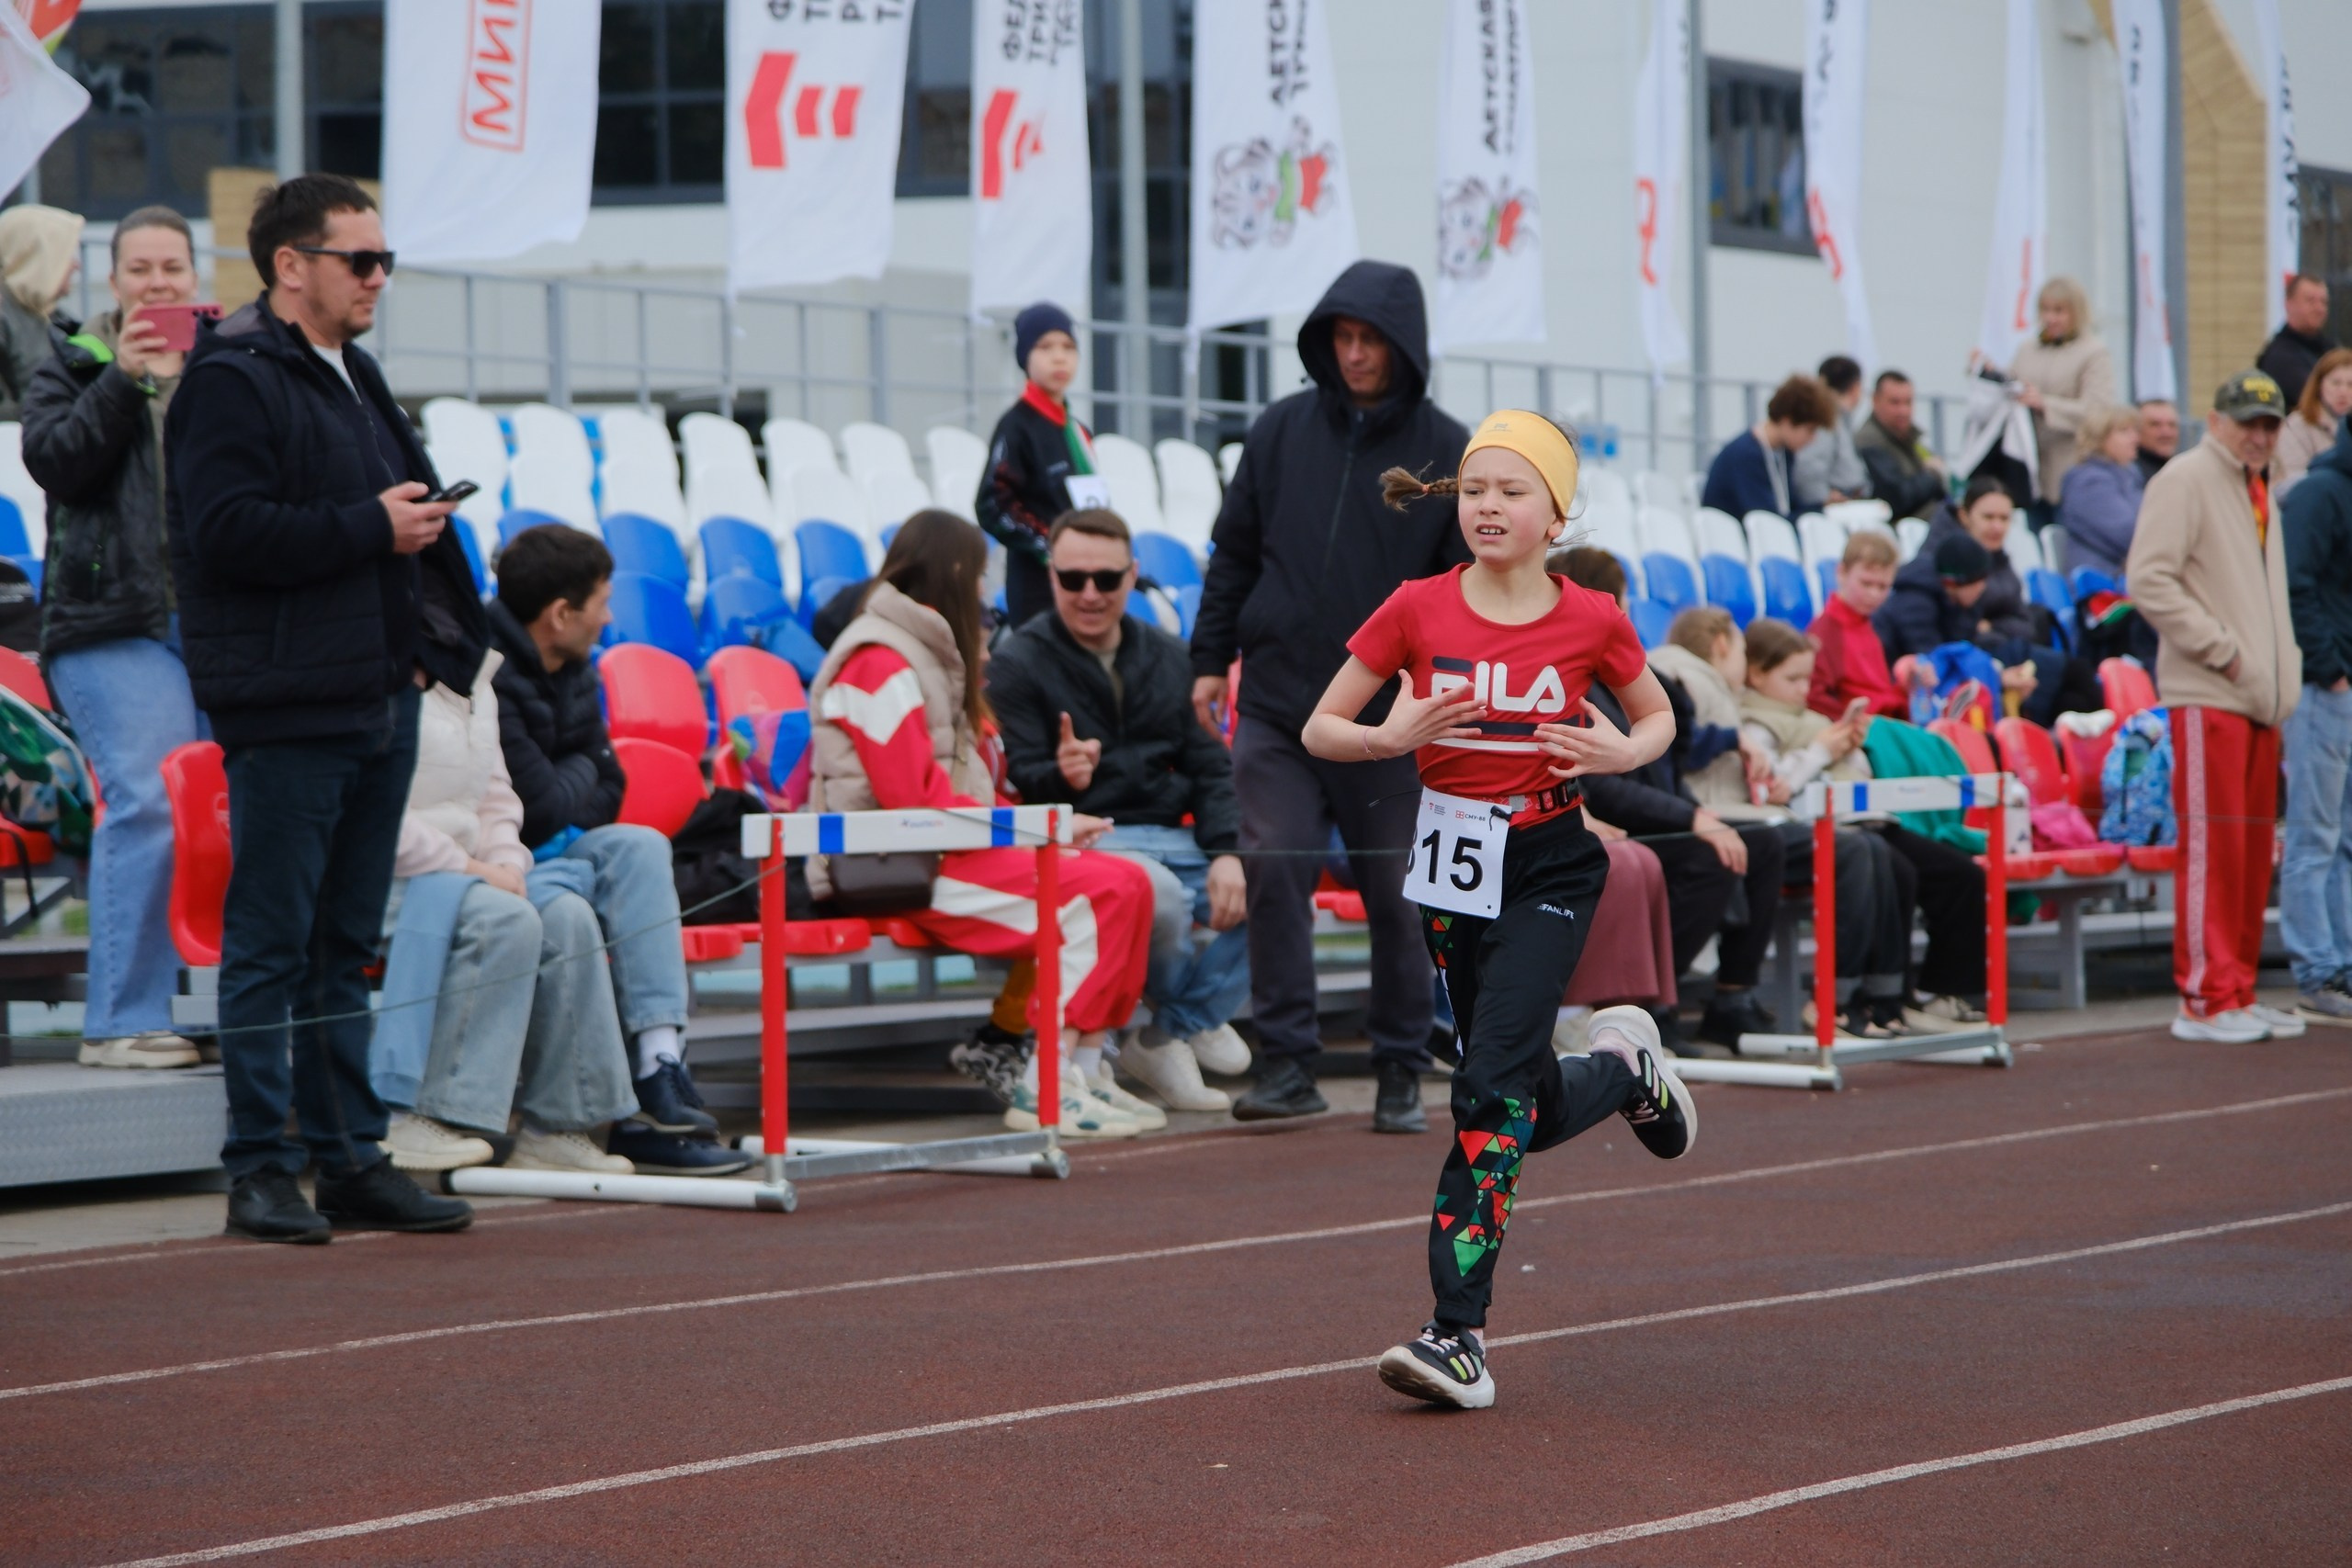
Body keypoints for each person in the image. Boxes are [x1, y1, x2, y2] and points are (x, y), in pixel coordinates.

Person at [1305, 411, 1694, 1411]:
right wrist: (1389, 737)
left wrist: (1616, 752)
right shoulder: (1414, 609)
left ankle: (1456, 1336)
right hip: (1450, 862)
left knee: (1483, 1089)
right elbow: (1320, 727)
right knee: (1507, 1085)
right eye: (1474, 489)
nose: (1487, 506)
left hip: (1553, 863)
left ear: (1554, 513)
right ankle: (1620, 1071)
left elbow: (1654, 717)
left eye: (1511, 491)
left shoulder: (1592, 617)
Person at [167, 175, 477, 1244]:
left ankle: (349, 1159)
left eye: (385, 259)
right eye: (362, 260)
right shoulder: (232, 379)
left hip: (374, 695)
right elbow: (224, 535)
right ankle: (259, 1166)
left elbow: (382, 520)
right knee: (271, 942)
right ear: (291, 266)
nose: (379, 277)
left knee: (343, 942)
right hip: (290, 705)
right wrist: (367, 528)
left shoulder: (356, 372)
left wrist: (431, 644)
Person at [1189, 260, 1468, 1132]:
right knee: (1275, 867)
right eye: (1341, 338)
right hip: (1275, 702)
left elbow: (1461, 593)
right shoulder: (1276, 432)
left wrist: (1430, 704)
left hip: (1389, 717)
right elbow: (1233, 554)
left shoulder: (1449, 451)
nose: (1353, 354)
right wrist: (1209, 658)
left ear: (1403, 346)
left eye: (1370, 339)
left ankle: (1397, 1067)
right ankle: (1285, 1062)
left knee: (1398, 891)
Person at [808, 508, 1157, 1136]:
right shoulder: (878, 660)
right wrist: (1036, 827)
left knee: (1128, 883)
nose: (986, 592)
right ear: (956, 570)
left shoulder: (922, 652)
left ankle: (1083, 1071)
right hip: (892, 865)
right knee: (1091, 897)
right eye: (979, 577)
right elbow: (910, 803)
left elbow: (935, 800)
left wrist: (1038, 824)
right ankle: (1042, 1085)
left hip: (939, 849)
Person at [377, 640, 749, 1178]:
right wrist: (481, 866)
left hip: (488, 866)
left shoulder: (483, 676)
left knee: (574, 910)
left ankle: (572, 1118)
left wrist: (505, 860)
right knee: (512, 917)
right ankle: (432, 1114)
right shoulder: (376, 675)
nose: (608, 615)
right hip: (400, 877)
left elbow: (509, 794)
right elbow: (377, 811)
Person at [17, 206, 209, 1069]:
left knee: (240, 807)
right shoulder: (76, 362)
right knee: (150, 795)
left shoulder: (232, 366)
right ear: (113, 279)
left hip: (214, 627)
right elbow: (58, 462)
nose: (157, 283)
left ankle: (220, 1006)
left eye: (172, 267)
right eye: (140, 269)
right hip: (107, 624)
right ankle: (121, 1022)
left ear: (194, 277)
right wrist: (125, 381)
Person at [483, 524, 739, 1160]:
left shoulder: (573, 664)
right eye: (600, 601)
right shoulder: (484, 668)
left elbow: (611, 781)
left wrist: (575, 775)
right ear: (560, 614)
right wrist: (581, 769)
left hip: (562, 852)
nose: (611, 616)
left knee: (643, 844)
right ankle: (626, 1119)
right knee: (572, 904)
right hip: (498, 865)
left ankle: (659, 1063)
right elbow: (537, 808)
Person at [986, 507, 1250, 1114]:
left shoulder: (1169, 654)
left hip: (1172, 834)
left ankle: (1169, 1031)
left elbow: (1211, 767)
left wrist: (1230, 850)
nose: (1089, 593)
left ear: (1132, 576)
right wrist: (1063, 774)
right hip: (1089, 837)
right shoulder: (1018, 661)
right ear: (1050, 575)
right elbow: (1020, 781)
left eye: (1105, 579)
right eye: (1073, 578)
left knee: (1275, 880)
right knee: (1154, 891)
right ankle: (1179, 1028)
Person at [2127, 370, 2306, 1043]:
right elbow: (2148, 578)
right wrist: (2225, 651)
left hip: (2259, 697)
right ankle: (2204, 996)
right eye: (2247, 423)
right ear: (2215, 419)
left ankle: (2236, 987)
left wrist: (2274, 674)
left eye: (2269, 424)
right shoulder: (2184, 478)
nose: (2259, 435)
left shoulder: (2256, 487)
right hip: (2211, 692)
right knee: (2214, 846)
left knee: (2253, 851)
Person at [1558, 557, 1785, 1047]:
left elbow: (1665, 767)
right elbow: (1605, 787)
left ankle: (1731, 998)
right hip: (1616, 825)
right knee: (1707, 858)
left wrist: (1697, 814)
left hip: (1649, 818)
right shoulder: (1572, 680)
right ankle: (1648, 1008)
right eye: (1622, 598)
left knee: (1762, 843)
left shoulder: (1625, 672)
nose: (1629, 610)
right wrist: (1692, 818)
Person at [1737, 616, 1924, 1036]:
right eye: (1793, 679)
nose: (1804, 689)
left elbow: (1849, 774)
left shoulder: (1815, 718)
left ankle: (1882, 995)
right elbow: (1775, 787)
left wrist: (1848, 750)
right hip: (1785, 828)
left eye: (1808, 679)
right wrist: (1821, 753)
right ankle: (1835, 998)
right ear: (1757, 673)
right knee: (1861, 853)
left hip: (1837, 821)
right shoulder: (1753, 723)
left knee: (1895, 863)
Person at [2281, 410, 2352, 1024]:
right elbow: (2293, 583)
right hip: (2321, 689)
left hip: (2341, 684)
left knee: (2344, 836)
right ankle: (2317, 968)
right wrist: (2329, 666)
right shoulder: (2319, 493)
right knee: (2316, 834)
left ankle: (2343, 964)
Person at [975, 302, 1101, 628]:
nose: (1060, 357)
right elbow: (992, 504)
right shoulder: (1017, 426)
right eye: (1045, 347)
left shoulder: (1078, 430)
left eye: (1069, 347)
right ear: (1025, 358)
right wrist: (1050, 547)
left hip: (1086, 581)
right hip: (1038, 587)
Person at [1979, 276, 2117, 509]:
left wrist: (2046, 404)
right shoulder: (2027, 349)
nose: (2050, 318)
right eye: (2045, 310)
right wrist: (1990, 374)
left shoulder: (2093, 353)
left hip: (2070, 467)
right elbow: (2012, 387)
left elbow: (2099, 411)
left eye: (2059, 311)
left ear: (2077, 312)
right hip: (2027, 467)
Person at [1700, 374, 1835, 520]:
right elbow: (1767, 518)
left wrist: (1821, 508)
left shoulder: (1782, 453)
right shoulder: (1746, 456)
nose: (1812, 439)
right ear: (1787, 421)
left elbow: (1788, 507)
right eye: (1810, 430)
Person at [1806, 531, 1906, 718]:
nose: (1874, 595)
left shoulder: (1868, 625)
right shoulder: (1827, 630)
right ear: (1842, 573)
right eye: (1866, 584)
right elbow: (1815, 697)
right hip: (1863, 730)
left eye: (1883, 587)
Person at [0, 204, 82, 422]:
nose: (77, 266)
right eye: (66, 254)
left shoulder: (58, 318)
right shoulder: (5, 317)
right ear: (40, 255)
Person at [2056, 405, 2148, 579]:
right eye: (2124, 431)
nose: (2135, 438)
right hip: (2101, 588)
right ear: (2099, 438)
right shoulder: (2089, 483)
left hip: (2127, 580)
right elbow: (2131, 535)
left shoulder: (2128, 476)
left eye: (2135, 431)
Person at [1852, 370, 1951, 521]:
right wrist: (1933, 474)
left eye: (1908, 402)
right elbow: (1897, 497)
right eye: (1894, 402)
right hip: (1901, 524)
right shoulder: (1869, 441)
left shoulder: (1910, 437)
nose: (1903, 411)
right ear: (1875, 400)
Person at [1792, 355, 1871, 511]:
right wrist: (1824, 499)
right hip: (1835, 508)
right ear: (1855, 388)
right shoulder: (1826, 422)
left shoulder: (1838, 420)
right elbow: (1809, 469)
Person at [2276, 347, 2352, 495]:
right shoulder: (2297, 426)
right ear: (2319, 385)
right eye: (2336, 383)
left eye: (2351, 385)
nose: (2343, 392)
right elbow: (2289, 483)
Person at [2257, 274, 2338, 410]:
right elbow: (2316, 400)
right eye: (2310, 301)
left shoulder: (2332, 349)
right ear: (2288, 304)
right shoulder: (2280, 357)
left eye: (2324, 302)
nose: (2319, 309)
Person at [2134, 400, 2179, 482]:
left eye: (2172, 425)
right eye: (2155, 424)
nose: (2166, 433)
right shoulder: (2130, 475)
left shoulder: (2181, 469)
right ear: (2137, 430)